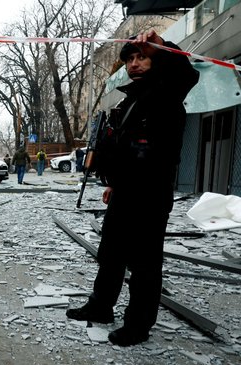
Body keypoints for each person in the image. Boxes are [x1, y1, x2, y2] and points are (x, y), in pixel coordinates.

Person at [66, 29, 199, 346]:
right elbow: (122, 149)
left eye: (142, 57)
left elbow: (185, 72)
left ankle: (138, 325)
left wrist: (162, 46)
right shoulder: (130, 101)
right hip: (124, 193)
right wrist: (112, 183)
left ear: (155, 62)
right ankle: (101, 306)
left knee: (144, 264)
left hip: (151, 195)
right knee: (110, 253)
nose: (135, 63)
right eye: (130, 59)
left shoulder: (167, 94)